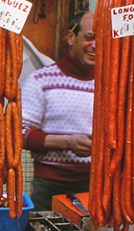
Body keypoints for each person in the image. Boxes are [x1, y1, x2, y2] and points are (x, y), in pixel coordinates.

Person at [21, 11, 95, 211]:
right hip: (50, 188)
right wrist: (66, 142)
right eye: (89, 37)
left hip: (97, 186)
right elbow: (20, 134)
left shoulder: (111, 85)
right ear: (71, 38)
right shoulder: (41, 81)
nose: (96, 45)